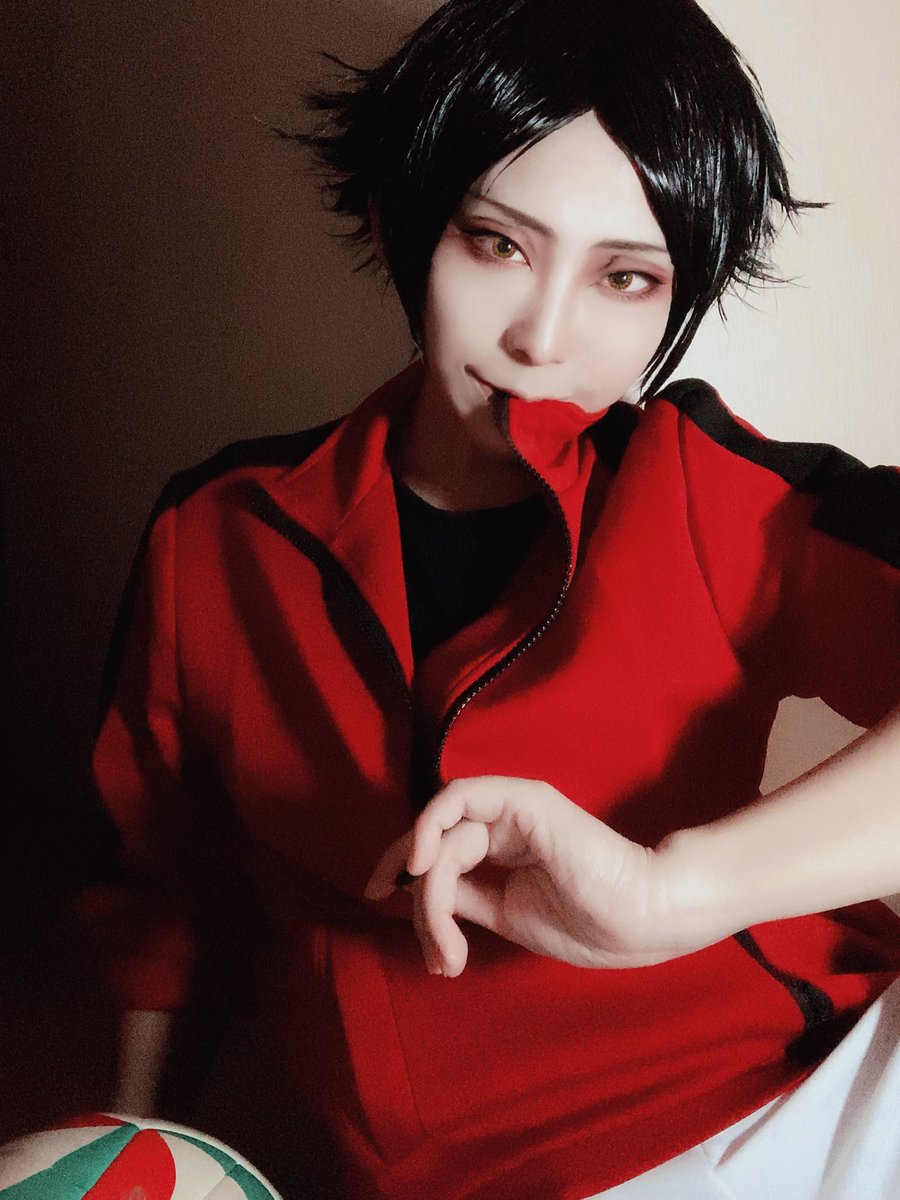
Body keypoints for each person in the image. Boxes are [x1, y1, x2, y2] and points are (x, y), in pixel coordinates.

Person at [87, 0, 900, 1196]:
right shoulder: (216, 534)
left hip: (820, 1091)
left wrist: (675, 892)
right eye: (497, 244)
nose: (542, 337)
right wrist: (126, 1143)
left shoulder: (703, 486)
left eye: (626, 276)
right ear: (400, 221)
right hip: (489, 1168)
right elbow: (166, 896)